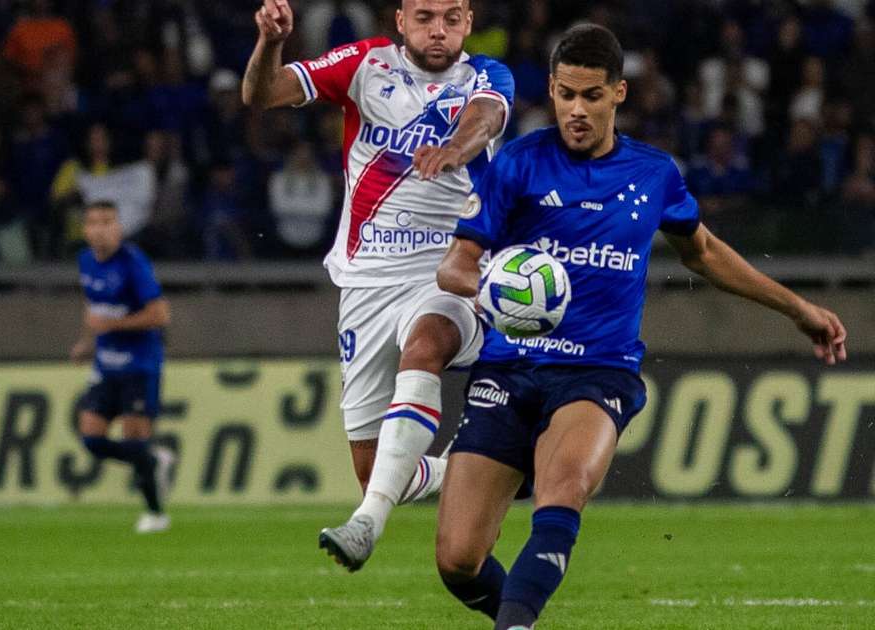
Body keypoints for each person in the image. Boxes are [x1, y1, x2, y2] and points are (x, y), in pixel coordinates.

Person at [432, 25, 848, 629]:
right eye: (566, 95)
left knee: (565, 486)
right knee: (458, 560)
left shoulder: (653, 174)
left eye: (592, 96)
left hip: (597, 370)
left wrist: (798, 308)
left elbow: (701, 252)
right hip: (510, 366)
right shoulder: (519, 162)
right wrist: (496, 286)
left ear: (619, 93)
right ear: (550, 89)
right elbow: (455, 265)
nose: (576, 110)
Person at [242, 0, 515, 571]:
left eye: (451, 18)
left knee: (428, 340)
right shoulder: (366, 65)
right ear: (400, 20)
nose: (437, 30)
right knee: (373, 471)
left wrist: (453, 151)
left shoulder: (486, 76)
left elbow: (486, 118)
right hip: (366, 280)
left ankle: (366, 524)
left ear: (468, 22)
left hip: (449, 268)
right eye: (424, 17)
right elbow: (262, 95)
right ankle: (488, 466)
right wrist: (270, 44)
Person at [70, 201, 176, 534]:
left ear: (119, 228)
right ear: (85, 229)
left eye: (107, 222)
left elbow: (160, 315)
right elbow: (95, 308)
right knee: (91, 438)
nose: (100, 228)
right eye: (94, 222)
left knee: (134, 440)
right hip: (106, 366)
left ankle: (156, 513)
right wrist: (87, 341)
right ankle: (155, 460)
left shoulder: (133, 263)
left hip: (140, 365)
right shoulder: (85, 261)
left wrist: (111, 326)